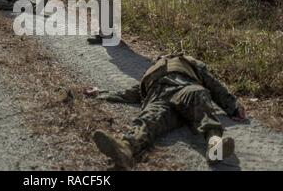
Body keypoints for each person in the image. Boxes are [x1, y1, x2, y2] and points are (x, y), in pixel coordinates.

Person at [88, 53, 247, 169]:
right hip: (159, 97)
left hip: (185, 89)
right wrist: (100, 93)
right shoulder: (150, 74)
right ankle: (125, 148)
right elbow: (129, 93)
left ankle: (214, 144)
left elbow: (213, 84)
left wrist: (233, 107)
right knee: (148, 118)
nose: (160, 57)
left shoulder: (187, 61)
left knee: (199, 96)